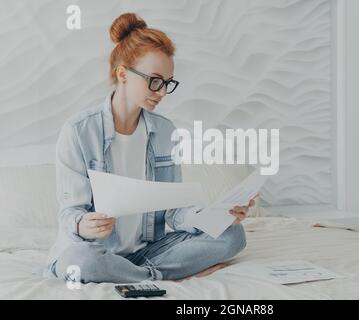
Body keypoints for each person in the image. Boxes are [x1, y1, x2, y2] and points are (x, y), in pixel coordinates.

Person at [44, 12, 256, 283]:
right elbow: (70, 213)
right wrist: (84, 225)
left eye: (167, 83)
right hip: (96, 251)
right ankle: (158, 276)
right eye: (155, 80)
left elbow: (175, 211)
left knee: (231, 235)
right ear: (123, 74)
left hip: (149, 252)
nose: (162, 91)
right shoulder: (78, 132)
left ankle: (140, 274)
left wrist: (214, 215)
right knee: (79, 263)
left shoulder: (165, 131)